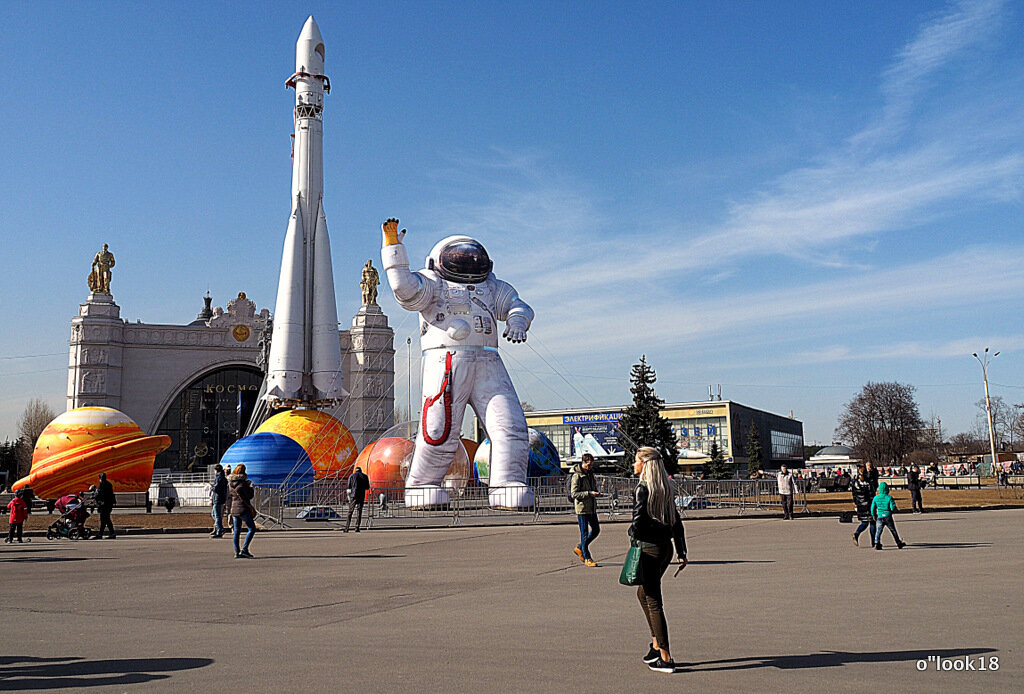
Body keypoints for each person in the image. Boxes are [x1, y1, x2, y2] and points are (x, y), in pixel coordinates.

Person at [380, 218, 535, 510]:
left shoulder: (491, 286)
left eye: (472, 259)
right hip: (445, 360)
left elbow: (518, 305)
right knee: (438, 429)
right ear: (438, 260)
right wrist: (393, 248)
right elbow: (404, 289)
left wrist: (517, 320)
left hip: (488, 359)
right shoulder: (433, 282)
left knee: (511, 425)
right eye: (460, 259)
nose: (467, 263)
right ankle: (423, 484)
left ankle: (507, 483)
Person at [631, 447, 686, 674]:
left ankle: (666, 656)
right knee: (643, 593)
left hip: (650, 549)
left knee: (653, 599)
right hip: (666, 548)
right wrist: (681, 550)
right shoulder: (665, 487)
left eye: (636, 461)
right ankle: (655, 645)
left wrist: (632, 535)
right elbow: (676, 520)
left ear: (645, 464)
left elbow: (638, 522)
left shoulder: (642, 488)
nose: (633, 465)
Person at [570, 453, 602, 567]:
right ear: (583, 462)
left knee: (596, 530)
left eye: (591, 465)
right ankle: (587, 557)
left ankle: (579, 547)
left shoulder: (590, 474)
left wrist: (596, 492)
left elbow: (592, 487)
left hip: (591, 507)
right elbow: (574, 493)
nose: (590, 467)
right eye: (588, 465)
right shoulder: (577, 476)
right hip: (582, 508)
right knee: (584, 534)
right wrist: (589, 494)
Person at [228, 464, 257, 558]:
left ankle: (237, 552)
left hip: (234, 509)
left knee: (237, 531)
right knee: (252, 529)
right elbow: (249, 496)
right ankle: (244, 549)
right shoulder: (243, 484)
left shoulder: (230, 483)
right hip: (243, 508)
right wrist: (251, 488)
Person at [870, 481, 906, 550]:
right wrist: (894, 510)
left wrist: (873, 515)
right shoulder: (889, 498)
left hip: (880, 516)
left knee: (878, 531)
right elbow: (892, 507)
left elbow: (872, 508)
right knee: (893, 530)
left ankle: (877, 542)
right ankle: (898, 542)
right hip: (888, 516)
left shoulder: (876, 498)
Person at [850, 465, 876, 546]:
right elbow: (872, 493)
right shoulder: (869, 482)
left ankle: (857, 533)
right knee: (872, 522)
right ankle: (873, 540)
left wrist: (856, 503)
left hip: (860, 505)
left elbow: (854, 494)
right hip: (869, 504)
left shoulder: (855, 483)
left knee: (864, 522)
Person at [345, 466, 370, 532]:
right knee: (359, 512)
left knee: (350, 511)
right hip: (361, 495)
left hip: (353, 495)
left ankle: (347, 527)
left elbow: (349, 486)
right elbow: (367, 487)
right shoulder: (365, 476)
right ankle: (357, 527)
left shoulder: (352, 476)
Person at [94, 472, 116, 539]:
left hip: (103, 505)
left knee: (104, 519)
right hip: (109, 504)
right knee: (106, 519)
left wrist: (95, 497)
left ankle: (104, 534)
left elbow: (98, 494)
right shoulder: (109, 484)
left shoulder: (101, 484)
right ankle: (107, 533)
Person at [210, 464, 228, 537]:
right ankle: (219, 527)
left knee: (217, 515)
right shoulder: (223, 477)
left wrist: (212, 487)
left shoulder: (219, 477)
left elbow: (217, 488)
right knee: (214, 514)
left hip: (218, 498)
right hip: (220, 498)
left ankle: (220, 530)